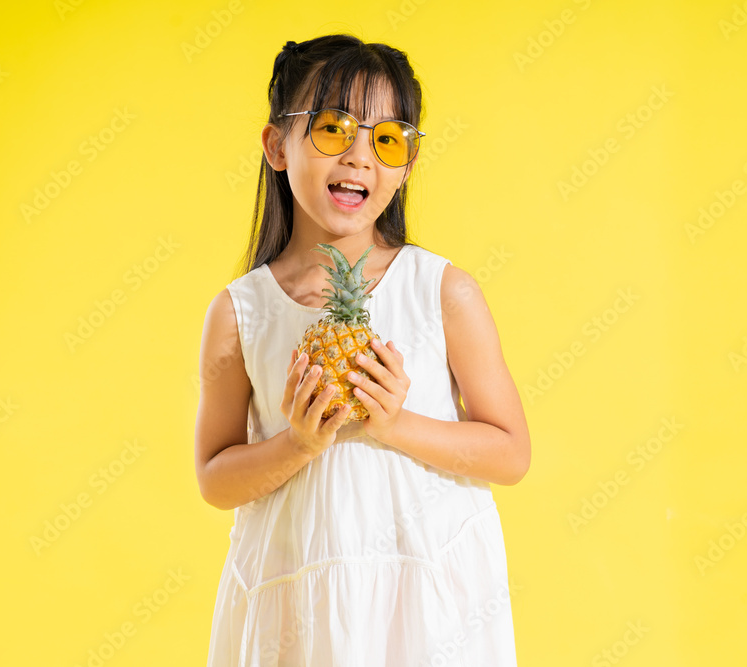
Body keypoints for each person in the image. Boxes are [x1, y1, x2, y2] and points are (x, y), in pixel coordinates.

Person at [195, 33, 531, 666]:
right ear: (276, 145)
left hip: (427, 596)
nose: (359, 158)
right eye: (331, 129)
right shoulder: (241, 312)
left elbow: (510, 452)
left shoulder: (443, 291)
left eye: (386, 139)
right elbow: (215, 477)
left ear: (406, 164)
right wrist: (297, 442)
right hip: (296, 596)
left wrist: (394, 423)